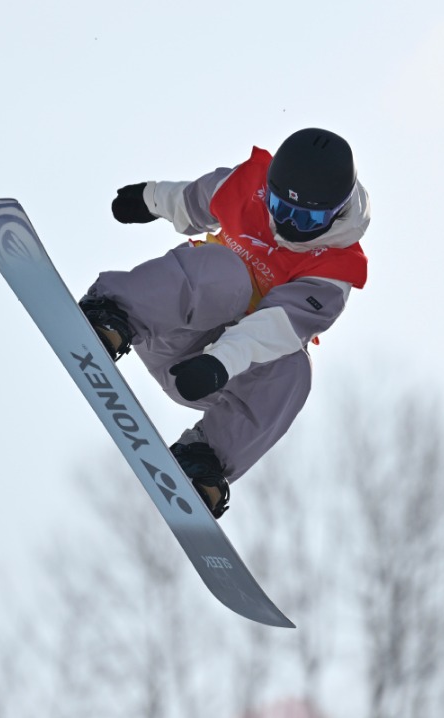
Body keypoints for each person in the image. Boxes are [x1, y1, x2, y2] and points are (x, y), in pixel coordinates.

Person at [79, 128, 371, 519]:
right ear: (269, 190)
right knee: (227, 273)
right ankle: (113, 314)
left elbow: (276, 327)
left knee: (293, 369)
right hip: (170, 322)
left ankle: (206, 458)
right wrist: (149, 199)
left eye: (308, 218)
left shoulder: (334, 272)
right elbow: (191, 199)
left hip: (215, 374)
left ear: (336, 213)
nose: (289, 225)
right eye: (282, 209)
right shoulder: (247, 185)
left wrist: (219, 362)